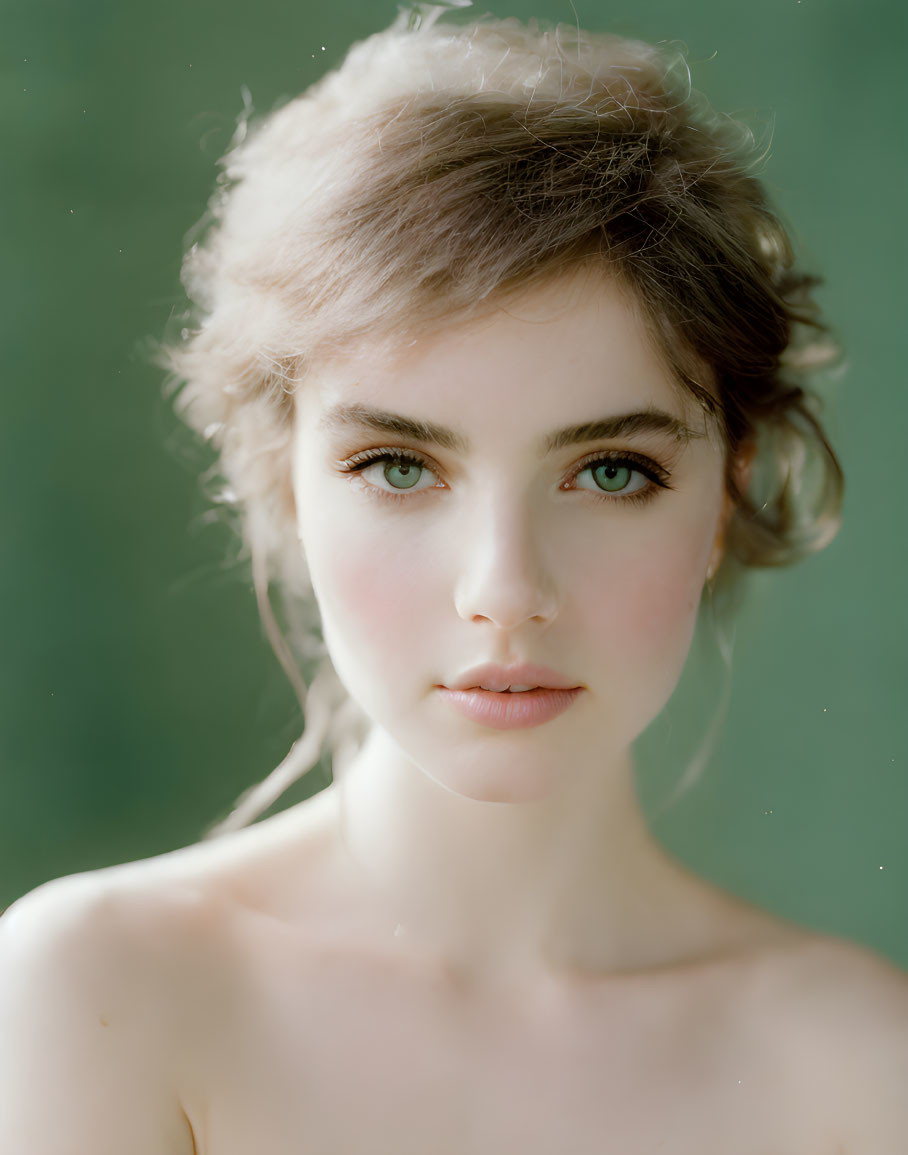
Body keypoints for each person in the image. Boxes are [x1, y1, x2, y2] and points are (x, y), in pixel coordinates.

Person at [2, 5, 906, 1152]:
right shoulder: (100, 995)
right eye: (397, 465)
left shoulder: (859, 1065)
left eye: (610, 472)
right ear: (285, 486)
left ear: (722, 497)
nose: (506, 588)